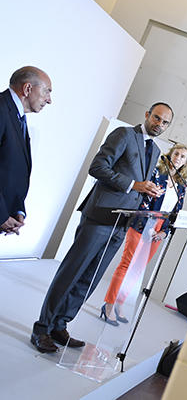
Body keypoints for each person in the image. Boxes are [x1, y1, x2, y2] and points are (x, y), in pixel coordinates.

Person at [30, 102, 173, 353]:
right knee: (71, 273)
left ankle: (60, 325)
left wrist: (148, 191)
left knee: (90, 279)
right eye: (157, 118)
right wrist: (133, 185)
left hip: (122, 223)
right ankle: (42, 328)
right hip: (99, 216)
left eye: (165, 122)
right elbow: (97, 167)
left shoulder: (156, 149)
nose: (159, 124)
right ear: (147, 115)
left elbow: (140, 184)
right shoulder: (124, 135)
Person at [100, 143, 187, 324]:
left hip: (159, 228)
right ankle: (108, 304)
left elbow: (176, 211)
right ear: (170, 155)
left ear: (186, 162)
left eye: (182, 156)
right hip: (142, 223)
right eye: (176, 154)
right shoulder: (156, 173)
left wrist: (164, 232)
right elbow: (142, 199)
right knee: (126, 264)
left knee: (138, 269)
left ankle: (120, 303)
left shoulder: (182, 185)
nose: (178, 158)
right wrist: (148, 223)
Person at [0, 66, 52, 235]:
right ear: (28, 88)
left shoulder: (18, 117)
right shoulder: (1, 109)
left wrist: (17, 210)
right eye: (46, 92)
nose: (49, 100)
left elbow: (11, 170)